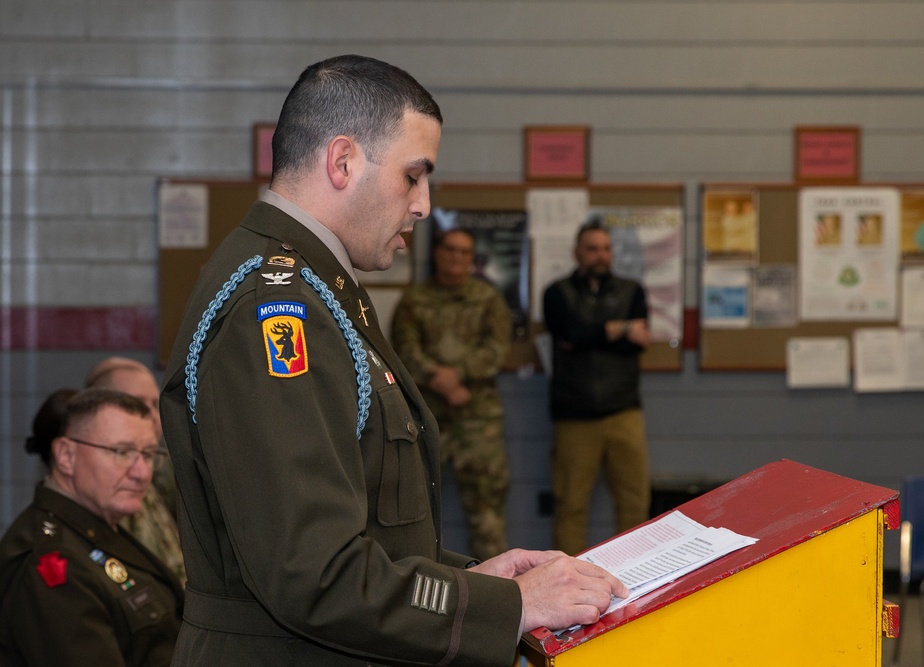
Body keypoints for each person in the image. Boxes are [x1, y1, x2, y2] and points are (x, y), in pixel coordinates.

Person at [160, 54, 626, 667]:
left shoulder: (318, 288)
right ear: (343, 161)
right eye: (414, 176)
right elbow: (314, 573)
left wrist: (478, 584)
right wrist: (506, 607)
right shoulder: (273, 311)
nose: (424, 204)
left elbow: (363, 532)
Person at [0, 388, 184, 666]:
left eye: (148, 454)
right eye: (121, 452)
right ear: (66, 456)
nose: (142, 473)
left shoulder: (94, 528)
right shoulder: (49, 559)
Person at [391, 227, 512, 561]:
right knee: (417, 512)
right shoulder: (414, 300)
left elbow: (498, 349)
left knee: (487, 514)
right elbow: (403, 350)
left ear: (473, 260)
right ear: (438, 253)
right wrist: (438, 379)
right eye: (451, 250)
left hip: (478, 422)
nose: (457, 257)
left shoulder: (488, 299)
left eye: (465, 252)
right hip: (427, 420)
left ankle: (496, 595)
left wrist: (458, 374)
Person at [543, 219, 652, 556]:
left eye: (606, 249)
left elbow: (637, 344)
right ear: (578, 253)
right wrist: (620, 329)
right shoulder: (556, 293)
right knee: (571, 505)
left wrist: (591, 335)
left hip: (624, 411)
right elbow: (569, 334)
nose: (601, 256)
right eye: (593, 249)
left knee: (635, 503)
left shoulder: (632, 291)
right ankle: (569, 580)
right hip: (575, 415)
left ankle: (637, 578)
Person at [86, 357, 186, 585]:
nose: (153, 416)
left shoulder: (158, 471)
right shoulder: (100, 492)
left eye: (154, 404)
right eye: (138, 404)